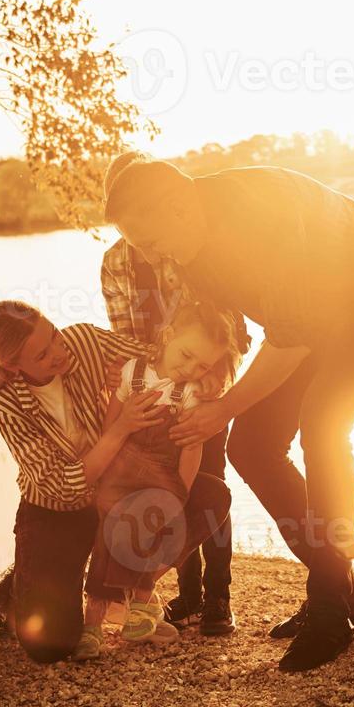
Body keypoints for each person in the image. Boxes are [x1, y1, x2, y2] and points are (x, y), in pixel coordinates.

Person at [105, 159, 354, 672]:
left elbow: (291, 336)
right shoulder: (189, 248)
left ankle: (329, 610)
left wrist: (226, 405)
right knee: (250, 446)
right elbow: (225, 328)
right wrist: (207, 376)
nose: (153, 257)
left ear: (179, 207)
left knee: (324, 428)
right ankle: (341, 586)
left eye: (153, 243)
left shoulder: (255, 218)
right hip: (312, 318)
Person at [0, 299, 232, 664]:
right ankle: (32, 584)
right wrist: (122, 426)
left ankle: (120, 591)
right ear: (12, 365)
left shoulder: (82, 341)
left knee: (210, 497)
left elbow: (157, 355)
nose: (58, 352)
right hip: (57, 510)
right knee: (49, 644)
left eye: (53, 336)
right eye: (42, 355)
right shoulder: (8, 406)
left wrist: (206, 377)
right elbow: (66, 486)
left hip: (119, 494)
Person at [100, 153, 250, 636]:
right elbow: (122, 332)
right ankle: (185, 594)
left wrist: (208, 380)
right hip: (155, 380)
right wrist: (153, 371)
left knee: (209, 478)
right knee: (164, 485)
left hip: (205, 380)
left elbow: (228, 325)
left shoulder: (190, 249)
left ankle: (218, 599)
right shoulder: (113, 263)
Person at [76, 299, 245, 660]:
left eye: (202, 365)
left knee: (155, 524)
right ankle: (93, 622)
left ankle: (139, 604)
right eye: (185, 355)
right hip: (122, 467)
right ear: (168, 336)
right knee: (111, 528)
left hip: (162, 474)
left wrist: (179, 495)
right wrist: (106, 474)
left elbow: (191, 448)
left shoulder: (192, 393)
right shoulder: (131, 374)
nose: (189, 369)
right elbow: (112, 422)